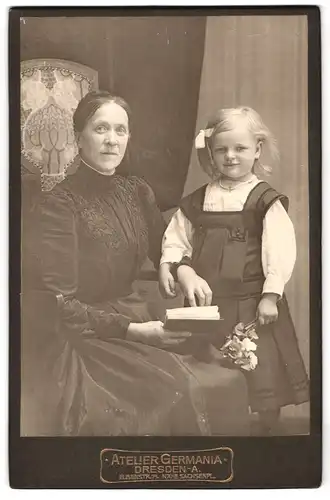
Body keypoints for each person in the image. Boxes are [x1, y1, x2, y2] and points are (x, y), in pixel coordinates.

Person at [21, 91, 250, 436]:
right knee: (181, 392)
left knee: (227, 377)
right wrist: (134, 331)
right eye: (101, 129)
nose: (112, 140)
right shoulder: (58, 206)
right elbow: (60, 305)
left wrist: (183, 269)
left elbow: (166, 250)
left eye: (121, 130)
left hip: (138, 315)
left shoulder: (136, 191)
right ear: (78, 136)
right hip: (87, 335)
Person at [159, 106, 309, 435]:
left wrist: (270, 295)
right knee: (211, 366)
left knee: (261, 365)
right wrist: (171, 266)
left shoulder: (263, 200)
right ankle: (218, 421)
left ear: (257, 149)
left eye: (239, 148)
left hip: (252, 301)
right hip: (208, 303)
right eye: (221, 150)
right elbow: (176, 239)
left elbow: (279, 251)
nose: (230, 157)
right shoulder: (198, 202)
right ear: (210, 153)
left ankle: (267, 427)